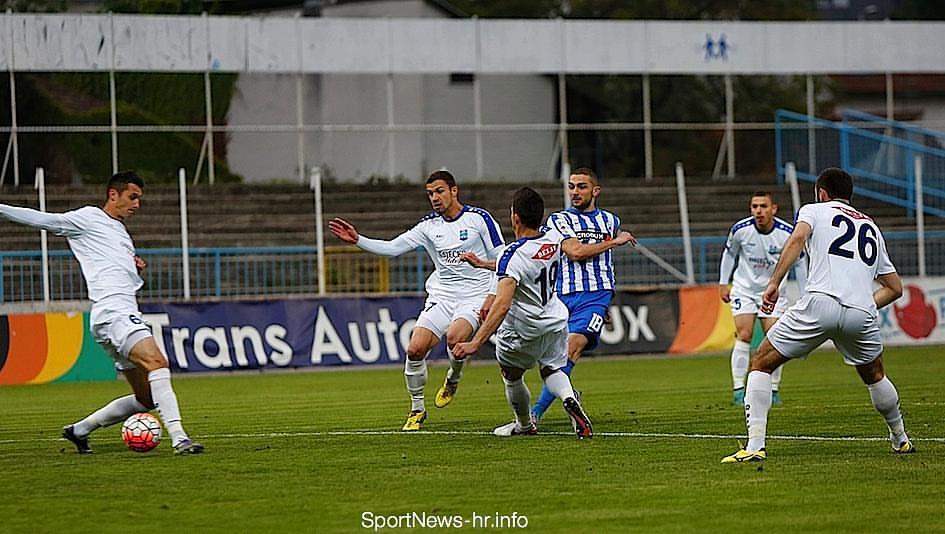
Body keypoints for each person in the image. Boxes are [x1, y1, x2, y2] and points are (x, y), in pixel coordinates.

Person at [0, 171, 203, 455]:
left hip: (110, 316)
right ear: (113, 195)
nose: (137, 204)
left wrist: (133, 267)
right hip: (115, 312)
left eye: (139, 199)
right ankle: (180, 438)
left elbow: (110, 266)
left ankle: (79, 430)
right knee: (157, 362)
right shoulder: (89, 218)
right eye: (132, 197)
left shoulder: (119, 231)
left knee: (146, 399)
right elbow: (46, 220)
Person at [722, 168, 913, 463]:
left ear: (822, 193)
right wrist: (862, 305)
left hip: (821, 303)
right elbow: (895, 288)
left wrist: (774, 283)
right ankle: (900, 439)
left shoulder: (814, 210)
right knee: (875, 375)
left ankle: (755, 445)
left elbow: (797, 239)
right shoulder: (870, 226)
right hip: (861, 311)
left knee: (760, 362)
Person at [328, 170, 504, 431]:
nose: (434, 198)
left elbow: (501, 258)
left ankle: (453, 377)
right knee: (414, 349)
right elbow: (392, 248)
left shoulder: (479, 219)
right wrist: (358, 240)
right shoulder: (428, 226)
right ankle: (417, 409)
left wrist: (491, 295)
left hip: (474, 295)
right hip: (443, 296)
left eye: (439, 191)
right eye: (430, 193)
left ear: (454, 191)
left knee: (455, 338)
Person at [452, 187, 592, 438]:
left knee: (511, 376)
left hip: (523, 329)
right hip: (555, 321)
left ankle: (524, 425)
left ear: (515, 217)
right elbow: (525, 264)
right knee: (551, 369)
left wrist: (475, 342)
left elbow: (502, 305)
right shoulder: (552, 237)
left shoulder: (512, 254)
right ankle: (569, 398)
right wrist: (484, 264)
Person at [529, 168, 635, 421]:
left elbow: (606, 263)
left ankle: (535, 414)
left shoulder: (611, 221)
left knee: (572, 348)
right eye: (571, 186)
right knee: (550, 362)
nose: (575, 192)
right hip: (562, 296)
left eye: (581, 187)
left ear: (595, 191)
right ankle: (568, 393)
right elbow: (575, 253)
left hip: (596, 295)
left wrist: (605, 304)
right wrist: (614, 242)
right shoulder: (559, 220)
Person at [719, 191, 807, 406]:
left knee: (776, 337)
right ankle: (739, 389)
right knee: (744, 334)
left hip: (773, 292)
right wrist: (723, 283)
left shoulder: (787, 233)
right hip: (745, 289)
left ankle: (773, 389)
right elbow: (729, 254)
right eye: (754, 206)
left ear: (773, 209)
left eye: (763, 206)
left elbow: (799, 263)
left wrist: (805, 294)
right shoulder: (740, 230)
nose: (758, 211)